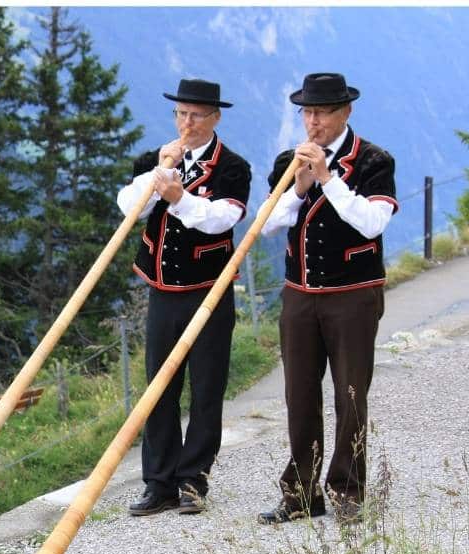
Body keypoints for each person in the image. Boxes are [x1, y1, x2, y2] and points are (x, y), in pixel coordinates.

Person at [257, 72, 398, 525]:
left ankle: (347, 490)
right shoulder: (286, 161)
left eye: (321, 113)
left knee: (350, 394)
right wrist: (299, 186)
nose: (312, 122)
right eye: (307, 113)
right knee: (299, 394)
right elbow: (267, 224)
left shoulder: (374, 160)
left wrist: (329, 178)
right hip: (299, 295)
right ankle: (300, 493)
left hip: (353, 295)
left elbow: (372, 223)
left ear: (346, 113)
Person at [118, 78, 251, 516]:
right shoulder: (156, 159)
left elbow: (221, 219)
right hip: (162, 291)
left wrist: (179, 198)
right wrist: (156, 176)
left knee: (206, 387)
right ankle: (159, 483)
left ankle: (193, 480)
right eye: (180, 114)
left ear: (214, 118)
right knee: (159, 387)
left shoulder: (233, 167)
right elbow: (127, 205)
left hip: (209, 292)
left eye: (195, 115)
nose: (186, 123)